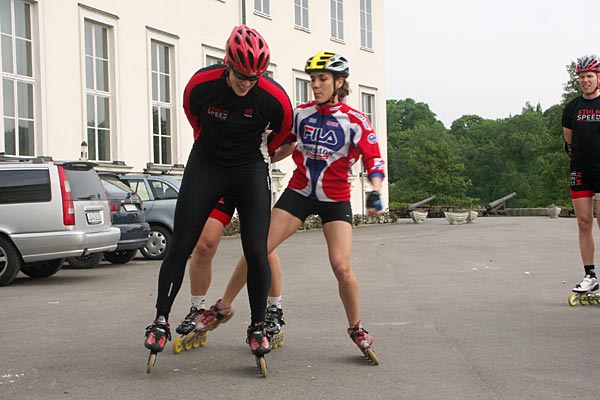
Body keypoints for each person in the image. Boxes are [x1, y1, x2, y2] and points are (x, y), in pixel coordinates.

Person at [192, 50, 385, 358]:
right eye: (312, 80)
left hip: (335, 199)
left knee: (342, 267)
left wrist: (374, 191)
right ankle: (222, 307)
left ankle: (356, 327)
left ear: (340, 82)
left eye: (322, 79)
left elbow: (375, 162)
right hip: (298, 192)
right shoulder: (301, 113)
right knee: (258, 248)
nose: (316, 85)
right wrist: (263, 155)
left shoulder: (356, 121)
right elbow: (282, 145)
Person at [144, 24, 293, 358]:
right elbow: (194, 119)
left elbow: (281, 137)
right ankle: (160, 320)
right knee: (183, 244)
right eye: (241, 75)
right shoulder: (201, 85)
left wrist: (260, 154)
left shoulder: (275, 99)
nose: (246, 83)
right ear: (227, 64)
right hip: (207, 164)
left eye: (254, 77)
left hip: (249, 168)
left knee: (257, 249)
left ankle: (257, 326)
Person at [175, 139, 295, 340]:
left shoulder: (263, 107)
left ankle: (274, 310)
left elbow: (289, 145)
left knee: (263, 246)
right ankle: (197, 308)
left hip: (251, 178)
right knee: (204, 244)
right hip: (218, 176)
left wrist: (261, 160)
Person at [563, 55, 600, 294]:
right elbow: (569, 140)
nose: (585, 80)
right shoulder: (572, 107)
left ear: (598, 78)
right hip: (580, 170)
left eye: (589, 76)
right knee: (584, 223)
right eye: (581, 77)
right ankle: (590, 276)